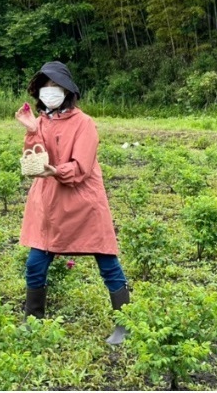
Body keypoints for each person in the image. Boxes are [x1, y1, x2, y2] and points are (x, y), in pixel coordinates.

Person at [16, 61, 131, 345]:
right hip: (49, 203)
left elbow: (80, 167)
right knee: (35, 263)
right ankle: (33, 320)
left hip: (82, 203)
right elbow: (35, 157)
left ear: (67, 91)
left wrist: (55, 171)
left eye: (55, 86)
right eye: (45, 86)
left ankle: (125, 325)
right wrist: (31, 130)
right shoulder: (42, 121)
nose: (49, 91)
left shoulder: (85, 123)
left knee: (106, 260)